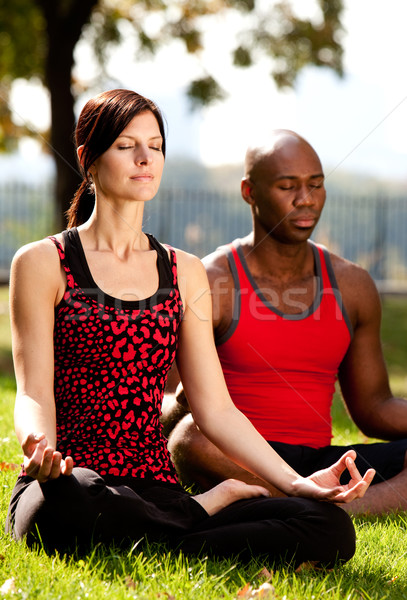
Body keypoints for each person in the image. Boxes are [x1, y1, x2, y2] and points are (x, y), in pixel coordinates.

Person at [5, 91, 373, 567]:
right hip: (71, 481)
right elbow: (33, 392)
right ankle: (202, 512)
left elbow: (216, 409)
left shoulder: (185, 271)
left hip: (157, 489)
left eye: (155, 146)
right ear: (87, 160)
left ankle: (162, 529)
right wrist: (42, 450)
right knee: (62, 505)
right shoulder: (41, 262)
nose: (145, 159)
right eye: (126, 146)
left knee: (328, 527)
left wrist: (294, 483)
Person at [161, 128, 407, 517]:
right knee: (189, 438)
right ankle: (325, 505)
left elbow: (373, 407)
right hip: (240, 458)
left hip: (326, 463)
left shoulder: (353, 285)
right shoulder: (210, 280)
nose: (306, 200)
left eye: (316, 185)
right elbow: (166, 405)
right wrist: (180, 402)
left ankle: (334, 505)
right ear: (250, 192)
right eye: (287, 186)